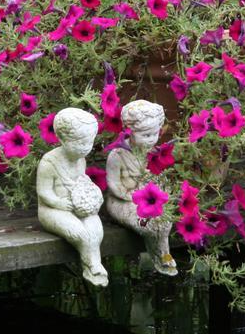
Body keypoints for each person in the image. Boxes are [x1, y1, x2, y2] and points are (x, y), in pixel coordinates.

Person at [105, 100, 178, 276]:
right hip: (122, 200)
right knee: (148, 226)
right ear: (130, 132)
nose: (152, 139)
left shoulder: (153, 152)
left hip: (147, 200)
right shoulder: (117, 155)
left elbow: (158, 177)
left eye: (155, 134)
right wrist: (132, 197)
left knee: (166, 221)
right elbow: (113, 184)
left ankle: (164, 254)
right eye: (146, 135)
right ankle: (157, 258)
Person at [36, 108, 107, 286]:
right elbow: (43, 192)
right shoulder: (48, 162)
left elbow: (81, 182)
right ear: (62, 139)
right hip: (52, 209)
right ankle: (92, 265)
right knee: (79, 233)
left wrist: (90, 193)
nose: (85, 148)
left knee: (96, 231)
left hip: (77, 206)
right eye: (79, 143)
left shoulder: (80, 159)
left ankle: (93, 264)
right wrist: (59, 203)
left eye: (89, 143)